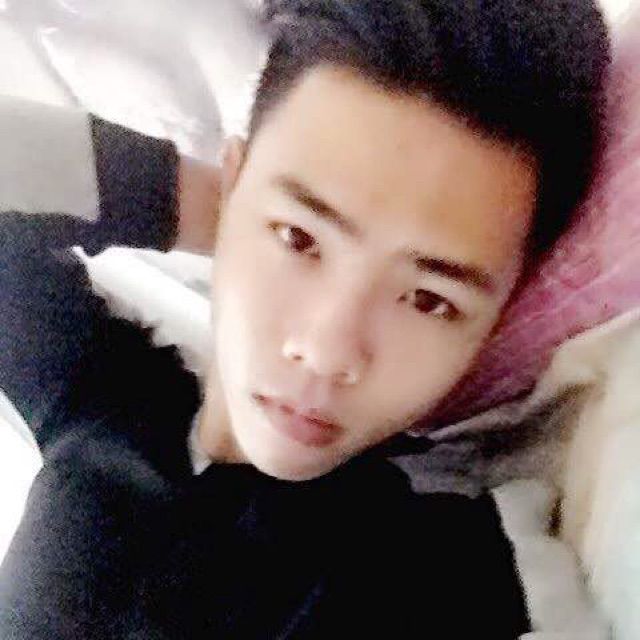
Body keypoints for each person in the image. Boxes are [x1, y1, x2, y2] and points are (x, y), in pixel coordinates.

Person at [0, 0, 610, 638]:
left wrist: (273, 219)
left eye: (429, 300)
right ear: (233, 185)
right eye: (298, 238)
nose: (325, 352)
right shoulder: (105, 403)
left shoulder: (463, 573)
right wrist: (206, 206)